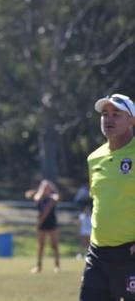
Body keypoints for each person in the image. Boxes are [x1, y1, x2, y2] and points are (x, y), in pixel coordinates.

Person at [79, 93, 135, 300]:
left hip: (129, 254)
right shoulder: (94, 158)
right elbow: (99, 203)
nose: (108, 119)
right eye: (105, 114)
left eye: (116, 114)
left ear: (132, 120)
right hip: (98, 255)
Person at [25, 179, 61, 274]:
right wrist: (40, 192)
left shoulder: (53, 196)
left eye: (47, 187)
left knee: (54, 245)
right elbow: (36, 199)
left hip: (52, 223)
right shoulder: (39, 196)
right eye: (44, 187)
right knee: (41, 246)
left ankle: (57, 265)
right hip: (42, 224)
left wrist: (49, 195)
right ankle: (38, 266)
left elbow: (56, 197)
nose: (46, 189)